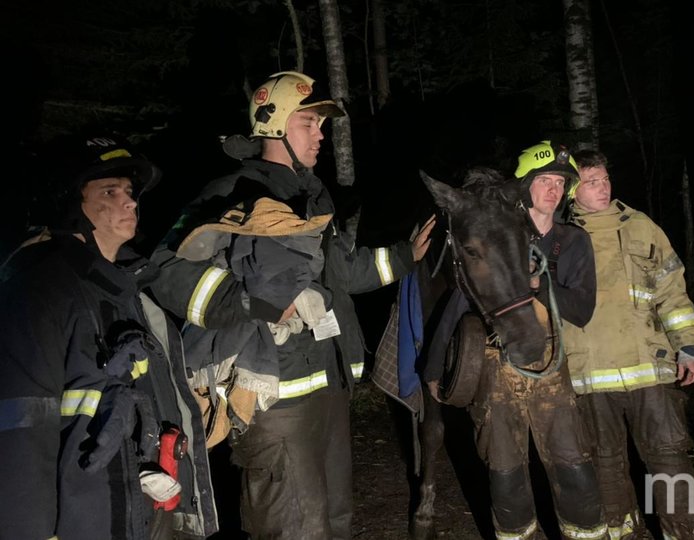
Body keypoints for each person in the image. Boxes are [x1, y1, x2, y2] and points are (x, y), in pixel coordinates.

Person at [149, 71, 434, 540]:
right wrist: (249, 301)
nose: (320, 135)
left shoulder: (311, 193)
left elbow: (340, 272)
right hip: (274, 397)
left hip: (329, 386)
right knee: (292, 524)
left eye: (321, 126)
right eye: (309, 124)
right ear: (274, 125)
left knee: (336, 519)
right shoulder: (233, 190)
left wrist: (406, 256)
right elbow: (165, 268)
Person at [0, 132, 218, 540]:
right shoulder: (39, 292)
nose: (130, 201)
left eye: (130, 191)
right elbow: (21, 437)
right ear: (70, 204)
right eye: (110, 191)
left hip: (139, 508)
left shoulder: (129, 286)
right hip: (83, 521)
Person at [444, 141, 606, 539]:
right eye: (544, 180)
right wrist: (435, 366)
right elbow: (460, 297)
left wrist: (537, 283)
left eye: (560, 183)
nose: (553, 190)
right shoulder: (495, 232)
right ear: (524, 186)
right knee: (505, 474)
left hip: (551, 367)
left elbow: (582, 311)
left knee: (573, 468)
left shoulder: (571, 241)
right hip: (496, 370)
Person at [566, 149, 694, 540]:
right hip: (588, 374)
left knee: (670, 460)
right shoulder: (557, 237)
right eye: (591, 182)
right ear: (571, 191)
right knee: (604, 464)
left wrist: (689, 346)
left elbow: (672, 291)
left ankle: (691, 534)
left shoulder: (642, 226)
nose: (603, 187)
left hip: (649, 367)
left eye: (605, 178)